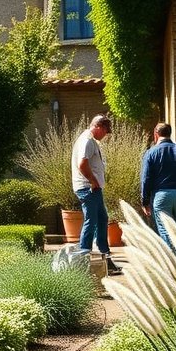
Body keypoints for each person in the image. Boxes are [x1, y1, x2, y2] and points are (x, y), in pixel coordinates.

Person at [71, 114, 121, 275]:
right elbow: (82, 163)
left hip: (93, 188)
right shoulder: (87, 140)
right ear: (99, 127)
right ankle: (83, 259)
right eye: (106, 131)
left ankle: (105, 258)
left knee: (101, 220)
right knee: (91, 221)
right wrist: (92, 181)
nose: (106, 135)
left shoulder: (90, 140)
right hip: (88, 188)